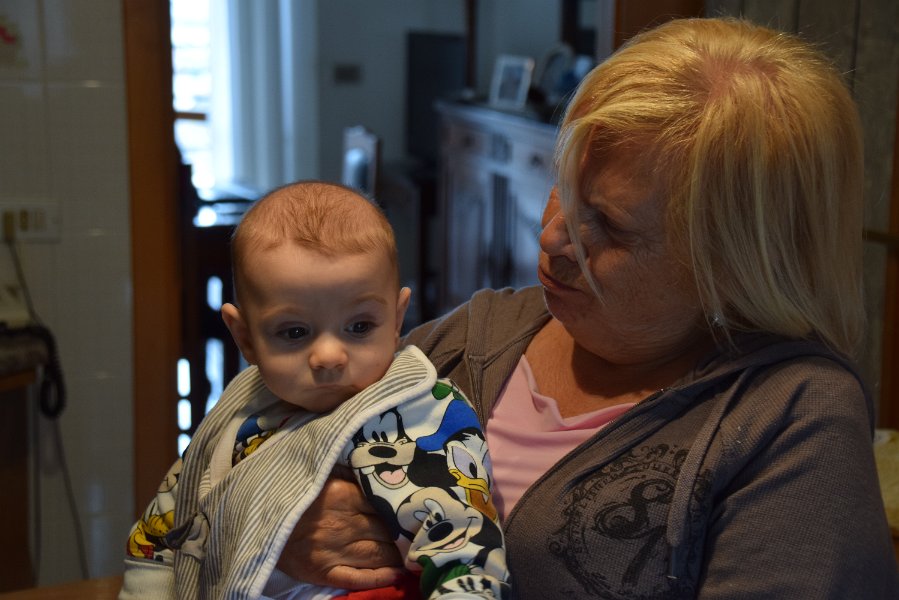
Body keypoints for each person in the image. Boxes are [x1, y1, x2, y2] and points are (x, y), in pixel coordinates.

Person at [269, 17, 899, 599]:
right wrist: (280, 529)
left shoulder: (790, 418)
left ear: (734, 265)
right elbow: (247, 452)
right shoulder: (481, 333)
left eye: (610, 225)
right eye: (562, 187)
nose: (551, 236)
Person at [120, 181, 510, 599]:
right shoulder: (239, 415)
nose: (329, 356)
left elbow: (467, 551)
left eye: (359, 326)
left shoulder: (421, 414)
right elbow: (163, 534)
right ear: (245, 337)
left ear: (397, 320)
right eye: (295, 332)